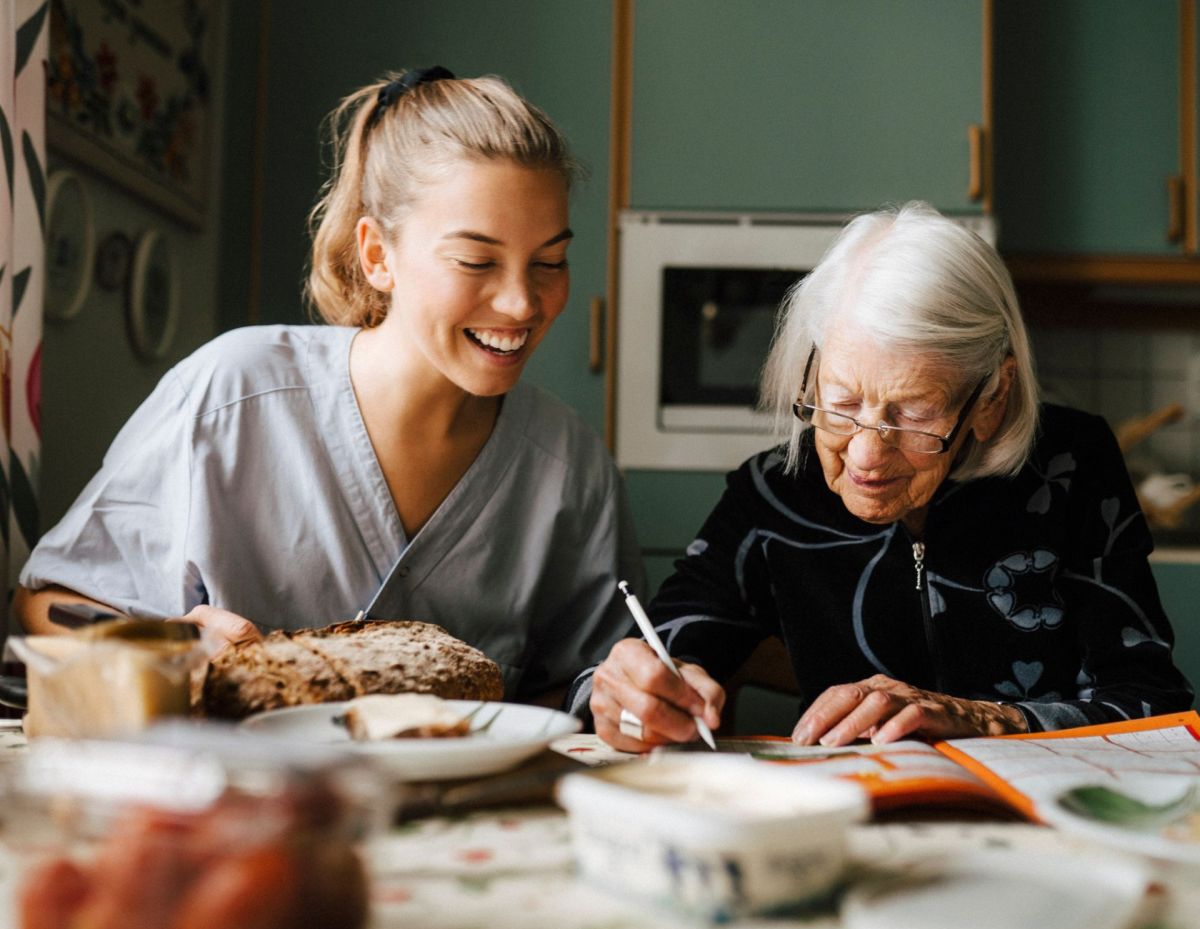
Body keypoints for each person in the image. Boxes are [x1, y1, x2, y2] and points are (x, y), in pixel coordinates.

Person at [16, 67, 643, 706]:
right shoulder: (231, 393)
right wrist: (162, 647)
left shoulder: (573, 468)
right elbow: (46, 603)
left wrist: (624, 698)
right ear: (377, 256)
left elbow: (591, 684)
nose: (520, 303)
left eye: (550, 262)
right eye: (476, 261)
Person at [583, 201, 1194, 751]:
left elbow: (1154, 704)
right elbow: (657, 646)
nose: (867, 457)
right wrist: (631, 694)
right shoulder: (774, 492)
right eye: (842, 404)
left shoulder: (1072, 466)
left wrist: (983, 718)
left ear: (991, 396)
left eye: (914, 412)